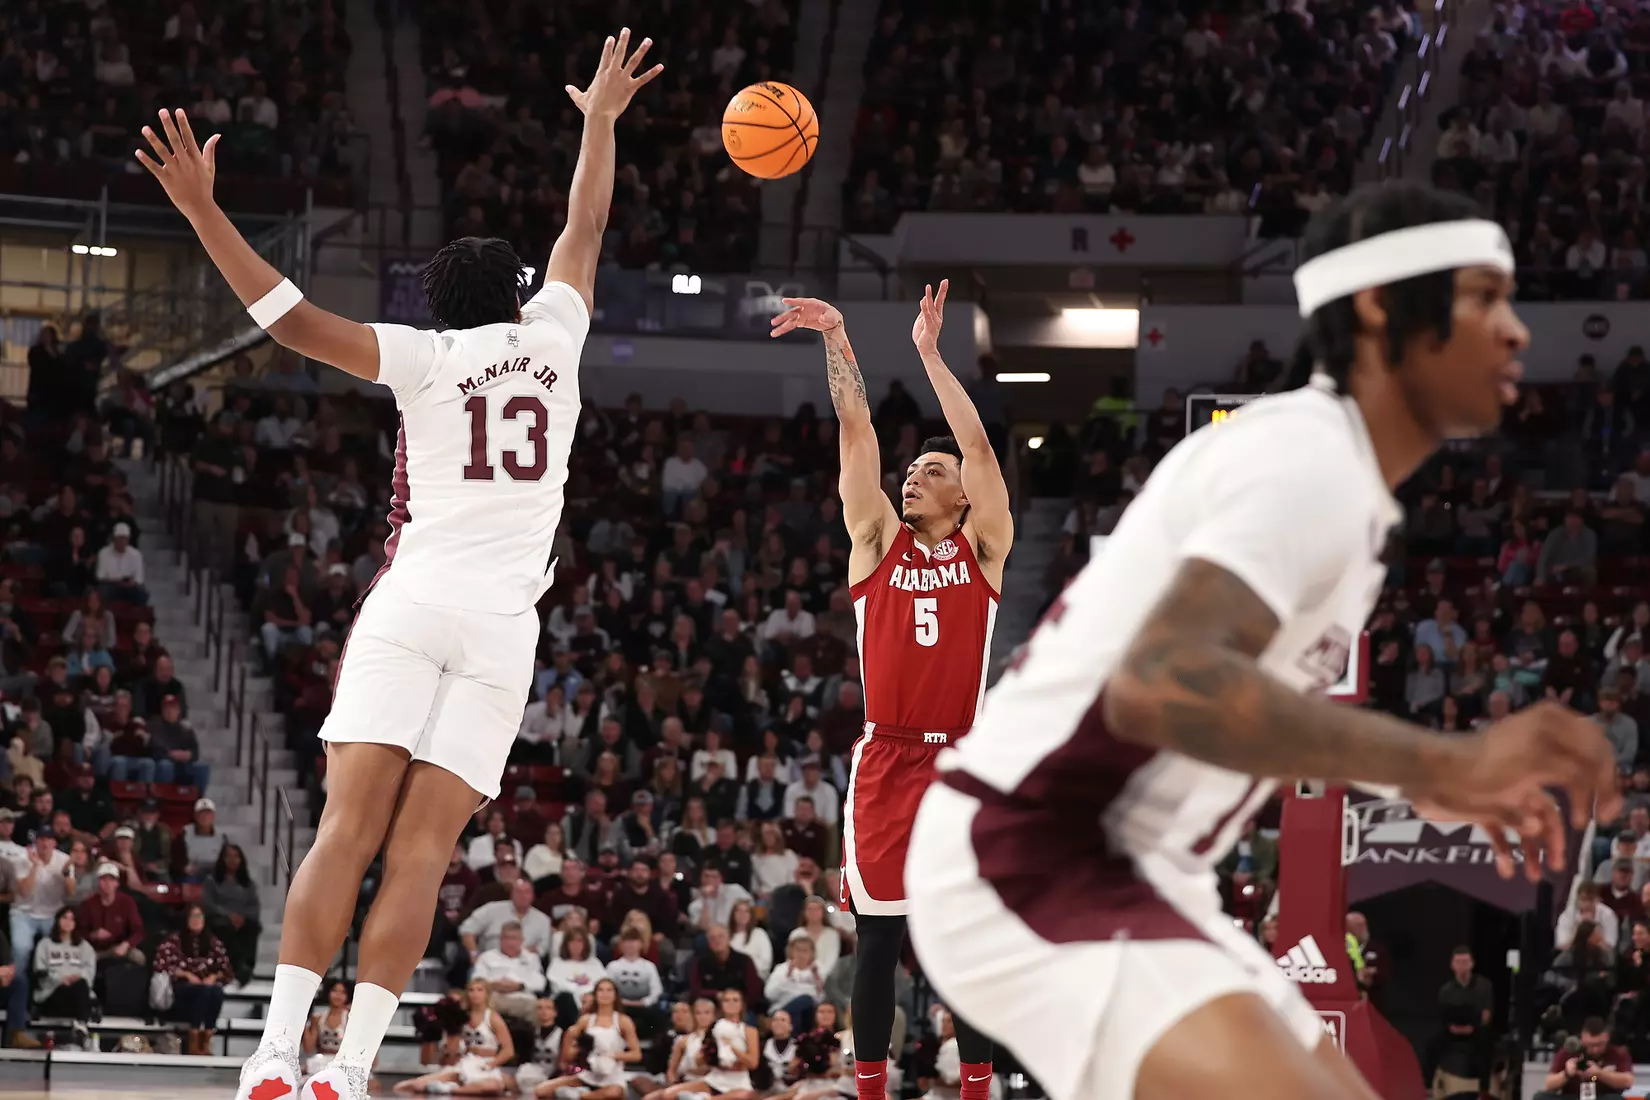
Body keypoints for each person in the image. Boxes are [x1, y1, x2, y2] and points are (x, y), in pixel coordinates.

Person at [903, 181, 1623, 1100]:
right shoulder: (1306, 456)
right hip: (1031, 849)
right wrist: (1446, 764)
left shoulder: (1330, 470)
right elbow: (1161, 684)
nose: (1518, 330)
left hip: (1142, 868)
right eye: (1484, 297)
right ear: (1377, 308)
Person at [132, 29, 664, 1100]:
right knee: (421, 851)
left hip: (414, 601)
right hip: (503, 628)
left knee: (347, 825)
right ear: (515, 296)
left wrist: (201, 211)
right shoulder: (555, 335)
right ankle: (352, 1066)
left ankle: (275, 1049)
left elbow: (285, 319)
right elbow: (585, 223)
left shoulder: (423, 354)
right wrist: (599, 123)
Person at [771, 278, 1012, 1100]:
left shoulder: (984, 546)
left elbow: (979, 449)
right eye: (911, 469)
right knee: (878, 942)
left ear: (963, 496)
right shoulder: (874, 539)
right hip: (888, 759)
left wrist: (930, 356)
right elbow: (855, 427)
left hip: (960, 767)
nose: (914, 477)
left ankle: (978, 1089)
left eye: (931, 470)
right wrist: (837, 338)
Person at [393, 977, 514, 1095]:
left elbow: (508, 1050)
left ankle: (451, 1090)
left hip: (486, 1064)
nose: (475, 994)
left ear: (487, 994)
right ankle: (450, 1085)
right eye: (471, 990)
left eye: (480, 990)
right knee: (412, 1085)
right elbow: (454, 1047)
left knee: (492, 1087)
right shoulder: (463, 1016)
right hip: (466, 1062)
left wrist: (490, 1065)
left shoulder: (493, 1017)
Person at [527, 976, 643, 1099]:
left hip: (612, 1077)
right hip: (588, 1074)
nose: (605, 994)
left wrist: (612, 1055)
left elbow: (636, 1054)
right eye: (601, 990)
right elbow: (570, 1039)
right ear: (595, 994)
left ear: (615, 995)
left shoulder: (623, 1021)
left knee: (613, 1093)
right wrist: (576, 1052)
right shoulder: (586, 1020)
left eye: (609, 990)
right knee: (541, 1090)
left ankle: (582, 1096)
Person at [154, 904, 234, 1055]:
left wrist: (214, 976)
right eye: (193, 916)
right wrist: (186, 975)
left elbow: (227, 970)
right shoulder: (173, 941)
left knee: (216, 992)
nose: (196, 920)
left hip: (206, 987)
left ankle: (206, 1040)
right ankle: (194, 1040)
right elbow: (161, 966)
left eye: (199, 916)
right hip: (181, 989)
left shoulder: (213, 942)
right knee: (202, 992)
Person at [203, 843, 261, 985]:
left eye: (236, 857)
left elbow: (254, 905)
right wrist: (229, 915)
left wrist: (242, 917)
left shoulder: (247, 883)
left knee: (253, 927)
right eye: (228, 856)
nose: (232, 860)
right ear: (222, 859)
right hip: (220, 919)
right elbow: (208, 904)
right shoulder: (212, 881)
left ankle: (247, 965)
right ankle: (240, 966)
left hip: (242, 919)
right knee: (224, 928)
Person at [1536, 1015, 1632, 1098]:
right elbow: (1549, 1084)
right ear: (1582, 1039)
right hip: (1573, 1096)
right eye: (1591, 1045)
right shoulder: (1568, 1051)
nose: (1596, 1049)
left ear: (1607, 1038)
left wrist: (1599, 1073)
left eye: (1600, 1044)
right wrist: (1566, 1074)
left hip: (1602, 1097)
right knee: (1541, 1097)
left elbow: (1628, 1081)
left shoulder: (1618, 1052)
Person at [303, 980, 352, 1077]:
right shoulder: (318, 1019)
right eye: (335, 991)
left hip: (343, 1062)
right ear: (328, 992)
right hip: (320, 1061)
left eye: (342, 992)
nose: (338, 995)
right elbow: (308, 1048)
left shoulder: (350, 1018)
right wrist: (304, 1020)